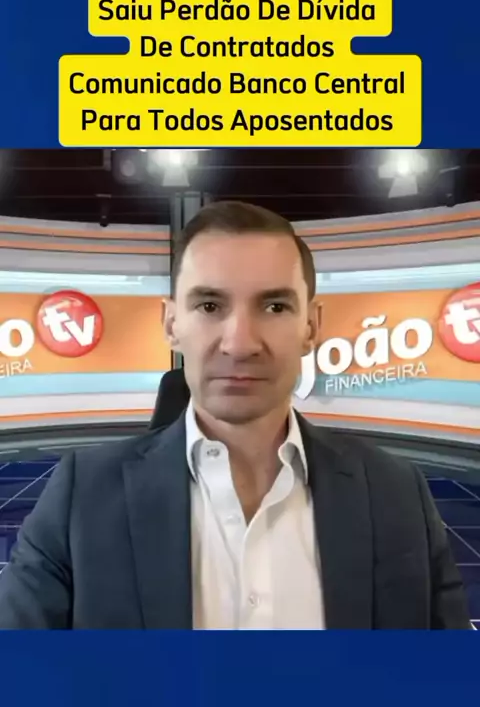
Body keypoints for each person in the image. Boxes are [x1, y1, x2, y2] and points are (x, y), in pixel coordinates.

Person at [0, 201, 471, 629]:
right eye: (209, 305)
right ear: (171, 324)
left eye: (275, 306)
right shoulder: (80, 498)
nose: (240, 343)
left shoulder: (396, 495)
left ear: (311, 327)